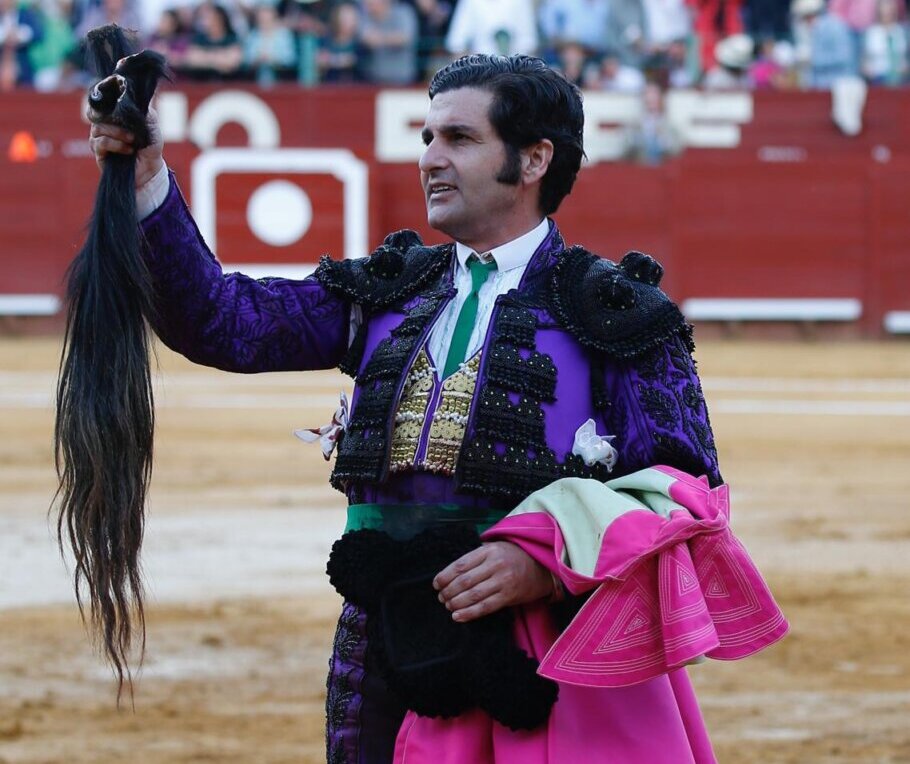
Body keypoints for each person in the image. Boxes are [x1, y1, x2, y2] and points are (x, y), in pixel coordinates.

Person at [87, 54, 785, 763]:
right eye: (427, 139)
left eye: (459, 139)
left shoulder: (614, 313)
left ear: (535, 158)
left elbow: (688, 496)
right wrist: (147, 176)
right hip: (384, 641)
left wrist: (547, 562)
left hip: (544, 654)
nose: (431, 159)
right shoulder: (388, 291)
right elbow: (222, 320)